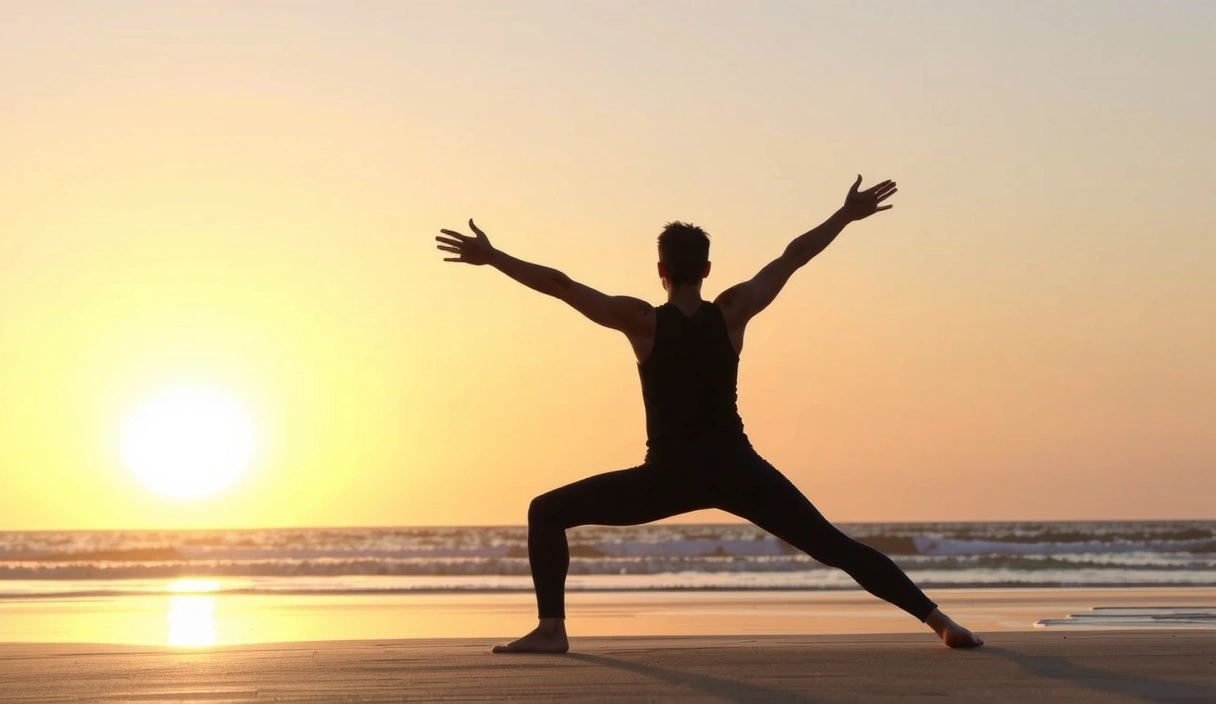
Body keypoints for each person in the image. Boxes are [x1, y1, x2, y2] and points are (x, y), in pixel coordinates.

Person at [435, 176, 983, 654]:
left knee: (546, 511)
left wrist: (493, 256)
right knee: (836, 546)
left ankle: (551, 630)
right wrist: (845, 214)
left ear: (660, 271)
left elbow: (560, 284)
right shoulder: (733, 312)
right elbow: (792, 257)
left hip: (667, 478)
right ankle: (940, 622)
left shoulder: (642, 321)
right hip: (738, 470)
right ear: (707, 268)